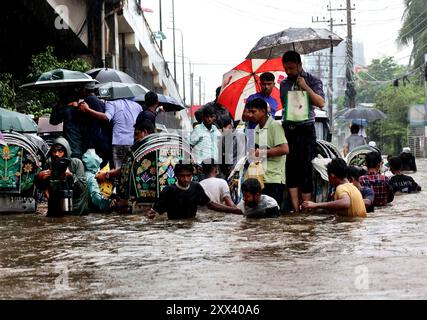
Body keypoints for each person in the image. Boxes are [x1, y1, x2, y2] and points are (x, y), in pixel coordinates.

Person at [280, 50, 325, 213]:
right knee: (290, 168)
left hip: (306, 129)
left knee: (306, 168)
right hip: (288, 129)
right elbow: (284, 106)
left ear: (299, 65)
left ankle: (306, 208)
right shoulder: (283, 84)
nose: (288, 71)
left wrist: (304, 86)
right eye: (286, 68)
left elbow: (321, 103)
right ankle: (295, 209)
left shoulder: (313, 80)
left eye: (291, 68)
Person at [145, 163, 242, 220]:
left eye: (188, 175)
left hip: (191, 224)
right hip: (174, 226)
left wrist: (237, 211)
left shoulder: (196, 187)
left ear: (192, 175)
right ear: (176, 176)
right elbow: (154, 212)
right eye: (182, 176)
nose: (185, 179)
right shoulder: (169, 191)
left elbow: (211, 205)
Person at [246, 98, 288, 210]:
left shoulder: (274, 126)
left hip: (274, 178)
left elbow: (284, 149)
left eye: (253, 111)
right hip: (260, 178)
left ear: (263, 111)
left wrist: (262, 152)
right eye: (249, 112)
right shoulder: (255, 128)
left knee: (272, 215)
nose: (250, 115)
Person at [79, 98, 142, 169]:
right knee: (129, 169)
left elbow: (106, 117)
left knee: (118, 170)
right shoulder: (137, 106)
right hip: (133, 143)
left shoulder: (112, 103)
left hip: (119, 142)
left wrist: (87, 109)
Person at [35, 137, 87, 215]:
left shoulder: (76, 164)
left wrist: (71, 176)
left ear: (66, 152)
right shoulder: (49, 164)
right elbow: (41, 188)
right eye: (54, 151)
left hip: (76, 209)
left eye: (60, 151)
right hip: (56, 209)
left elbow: (82, 189)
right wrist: (39, 178)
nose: (57, 154)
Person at [302, 158, 367, 218]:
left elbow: (346, 203)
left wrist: (316, 205)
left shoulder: (340, 188)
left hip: (351, 227)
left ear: (332, 176)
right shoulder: (353, 187)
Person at [50, 88, 86, 159]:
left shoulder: (66, 110)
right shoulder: (82, 108)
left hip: (72, 144)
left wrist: (57, 106)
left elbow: (53, 121)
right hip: (81, 144)